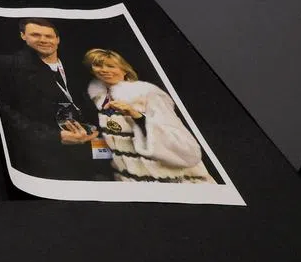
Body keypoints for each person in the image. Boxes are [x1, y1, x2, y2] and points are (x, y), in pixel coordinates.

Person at [0, 18, 112, 180]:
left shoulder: (77, 66)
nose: (43, 40)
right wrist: (56, 137)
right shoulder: (7, 65)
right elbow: (3, 114)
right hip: (46, 158)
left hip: (92, 150)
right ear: (23, 36)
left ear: (57, 39)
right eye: (35, 35)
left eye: (49, 36)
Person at [84, 49, 214, 184]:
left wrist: (137, 115)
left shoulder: (147, 94)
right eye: (98, 65)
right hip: (128, 177)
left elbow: (176, 139)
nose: (104, 70)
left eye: (111, 66)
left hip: (163, 175)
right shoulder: (95, 99)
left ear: (124, 70)